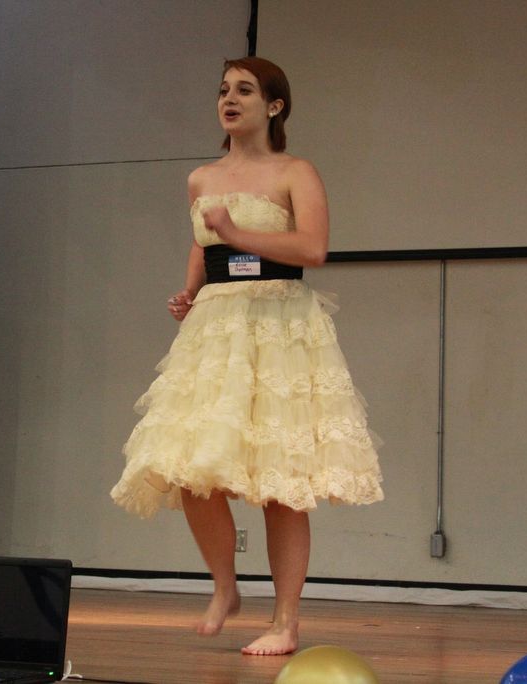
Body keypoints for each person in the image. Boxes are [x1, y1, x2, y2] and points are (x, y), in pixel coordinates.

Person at [110, 58, 383, 656]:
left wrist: (237, 234)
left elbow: (313, 247)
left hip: (280, 323)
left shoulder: (296, 171)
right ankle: (225, 586)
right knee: (192, 468)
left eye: (244, 90)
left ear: (274, 106)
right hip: (218, 325)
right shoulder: (202, 177)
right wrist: (190, 290)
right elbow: (202, 241)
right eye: (223, 91)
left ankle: (286, 622)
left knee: (282, 482)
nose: (229, 100)